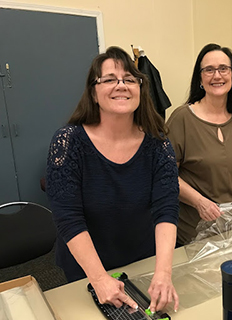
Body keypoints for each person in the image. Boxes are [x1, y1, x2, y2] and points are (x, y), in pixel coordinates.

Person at [46, 46, 179, 313]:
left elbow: (166, 209)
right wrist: (98, 279)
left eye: (130, 79)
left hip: (140, 261)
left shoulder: (158, 144)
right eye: (109, 79)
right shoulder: (69, 141)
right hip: (86, 268)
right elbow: (68, 217)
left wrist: (163, 272)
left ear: (141, 89)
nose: (121, 86)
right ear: (93, 93)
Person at [166, 43, 232, 246]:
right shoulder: (182, 119)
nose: (217, 76)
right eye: (209, 70)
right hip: (194, 233)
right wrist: (199, 202)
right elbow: (167, 175)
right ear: (200, 78)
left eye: (223, 68)